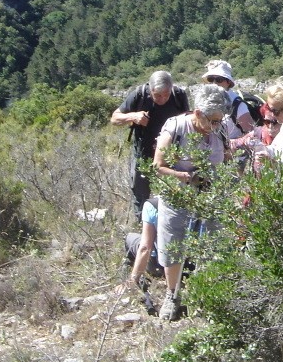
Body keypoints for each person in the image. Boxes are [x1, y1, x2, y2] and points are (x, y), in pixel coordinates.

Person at [152, 83, 229, 321]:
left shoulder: (220, 130)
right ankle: (172, 295)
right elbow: (158, 166)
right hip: (177, 194)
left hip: (210, 194)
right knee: (173, 240)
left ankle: (209, 293)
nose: (216, 126)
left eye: (220, 120)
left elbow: (225, 157)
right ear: (197, 113)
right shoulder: (175, 128)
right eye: (212, 121)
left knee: (214, 242)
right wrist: (183, 177)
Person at [110, 71, 190, 221]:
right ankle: (142, 225)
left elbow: (187, 117)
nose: (162, 99)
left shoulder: (178, 95)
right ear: (150, 89)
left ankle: (172, 222)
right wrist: (133, 116)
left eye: (166, 94)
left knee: (174, 190)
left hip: (172, 154)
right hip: (144, 152)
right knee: (141, 191)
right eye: (157, 95)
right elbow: (114, 118)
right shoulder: (139, 95)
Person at [203, 59, 256, 142]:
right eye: (210, 79)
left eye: (219, 79)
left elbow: (252, 134)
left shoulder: (238, 105)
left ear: (228, 82)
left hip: (234, 153)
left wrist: (230, 144)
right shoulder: (205, 102)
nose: (214, 83)